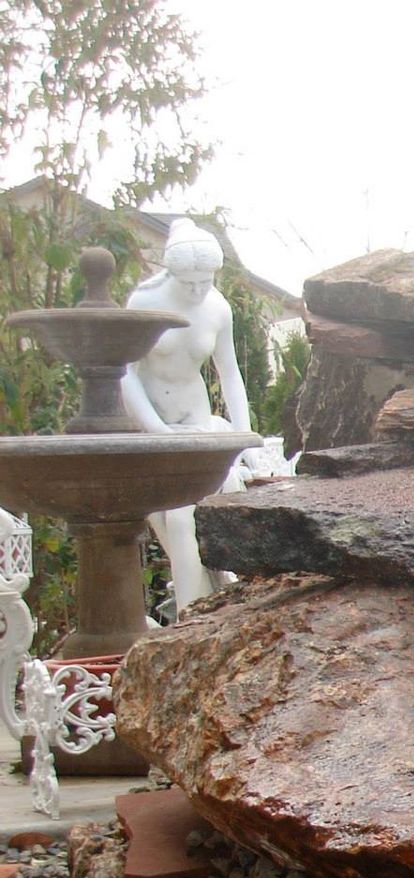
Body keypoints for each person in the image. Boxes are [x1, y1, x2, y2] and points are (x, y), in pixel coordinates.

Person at [121, 218, 257, 610]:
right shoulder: (145, 303)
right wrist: (156, 429)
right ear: (170, 272)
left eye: (205, 281)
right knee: (178, 520)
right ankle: (194, 613)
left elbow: (230, 374)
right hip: (151, 425)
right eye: (188, 283)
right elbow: (125, 372)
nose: (198, 290)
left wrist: (243, 438)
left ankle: (204, 611)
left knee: (194, 515)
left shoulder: (217, 307)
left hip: (196, 421)